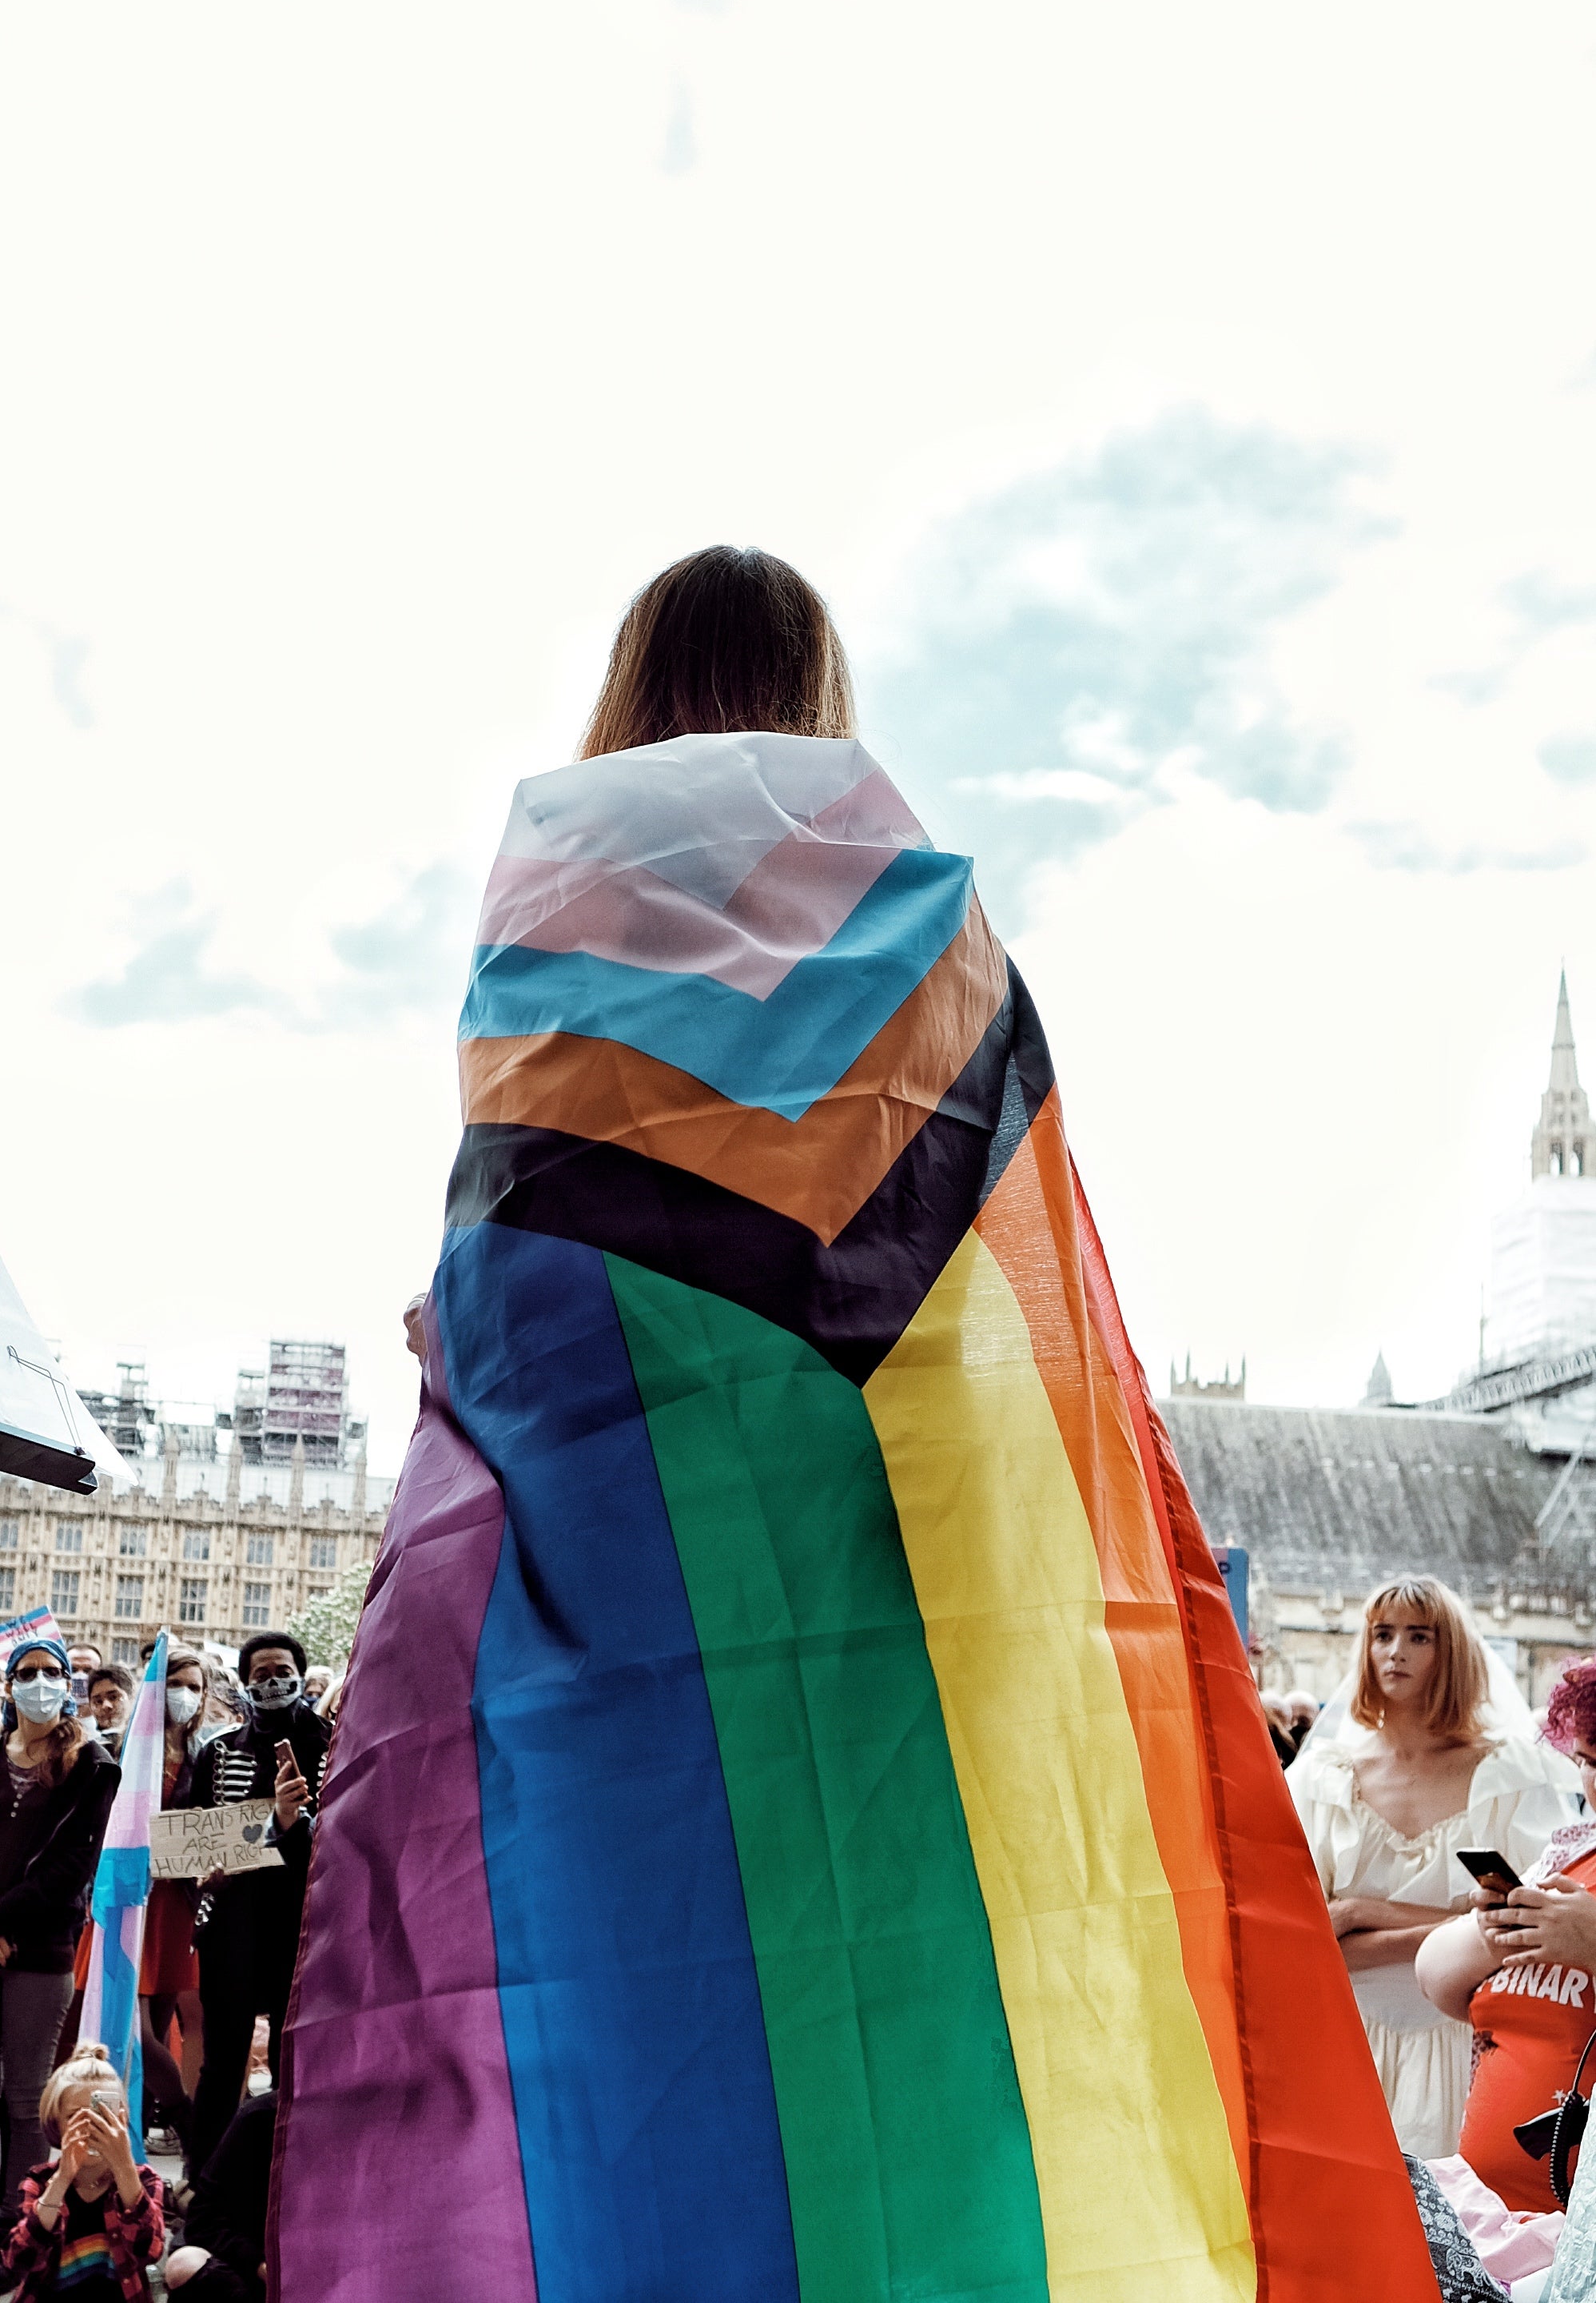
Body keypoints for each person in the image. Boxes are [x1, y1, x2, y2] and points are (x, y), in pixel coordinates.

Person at [277, 546, 1440, 2302]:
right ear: (821, 696)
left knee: (639, 2124)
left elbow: (525, 1321)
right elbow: (1025, 1337)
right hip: (909, 1665)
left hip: (634, 1679)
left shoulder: (543, 941)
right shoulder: (935, 942)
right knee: (931, 2113)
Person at [1288, 1575, 1570, 2155]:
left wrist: (1362, 1912)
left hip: (1465, 2038)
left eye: (1418, 1636)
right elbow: (1303, 1935)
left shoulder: (1508, 1774)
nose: (1395, 1652)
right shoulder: (1324, 1779)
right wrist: (1450, 1926)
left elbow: (1523, 1928)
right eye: (1382, 1634)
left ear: (1452, 1652)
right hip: (1343, 2037)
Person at [1416, 1655, 1596, 2212]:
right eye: (1587, 1761)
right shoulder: (1569, 1852)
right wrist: (1495, 1931)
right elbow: (1439, 1984)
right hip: (1483, 2210)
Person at [187, 1635, 328, 2177]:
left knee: (294, 2061)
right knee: (223, 2062)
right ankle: (205, 2182)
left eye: (283, 1670)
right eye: (262, 1672)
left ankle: (291, 2181)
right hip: (234, 1926)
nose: (273, 1681)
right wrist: (272, 1825)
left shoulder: (334, 1742)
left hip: (308, 1925)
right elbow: (196, 1843)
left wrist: (297, 1826)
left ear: (300, 1672)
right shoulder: (219, 1752)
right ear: (246, 1681)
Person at [0, 1640, 119, 2225]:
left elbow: (72, 1864)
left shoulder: (92, 1765)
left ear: (70, 1684)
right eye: (29, 1673)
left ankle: (16, 2227)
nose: (41, 1682)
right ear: (9, 1686)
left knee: (25, 2098)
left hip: (41, 1948)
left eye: (53, 1673)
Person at [0, 2040, 163, 2300]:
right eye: (78, 2117)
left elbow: (149, 2251)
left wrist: (123, 2166)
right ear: (57, 2124)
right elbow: (17, 2262)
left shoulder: (144, 2180)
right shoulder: (39, 2181)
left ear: (121, 2120)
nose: (91, 2129)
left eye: (103, 2117)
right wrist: (62, 2179)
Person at [137, 1644, 220, 2158]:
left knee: (162, 2026)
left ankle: (144, 2154)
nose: (185, 1696)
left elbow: (213, 1829)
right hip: (129, 1901)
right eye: (176, 1684)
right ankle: (193, 2129)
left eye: (195, 1687)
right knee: (137, 2038)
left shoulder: (204, 1755)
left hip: (175, 1905)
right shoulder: (128, 1750)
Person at [163, 2087, 275, 2297]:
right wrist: (259, 2265)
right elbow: (203, 2221)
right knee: (185, 2264)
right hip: (264, 2266)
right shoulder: (261, 2117)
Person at [84, 1664, 133, 1755]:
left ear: (131, 1697)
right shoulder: (86, 1749)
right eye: (98, 1701)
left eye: (113, 1697)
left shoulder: (144, 1741)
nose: (106, 1706)